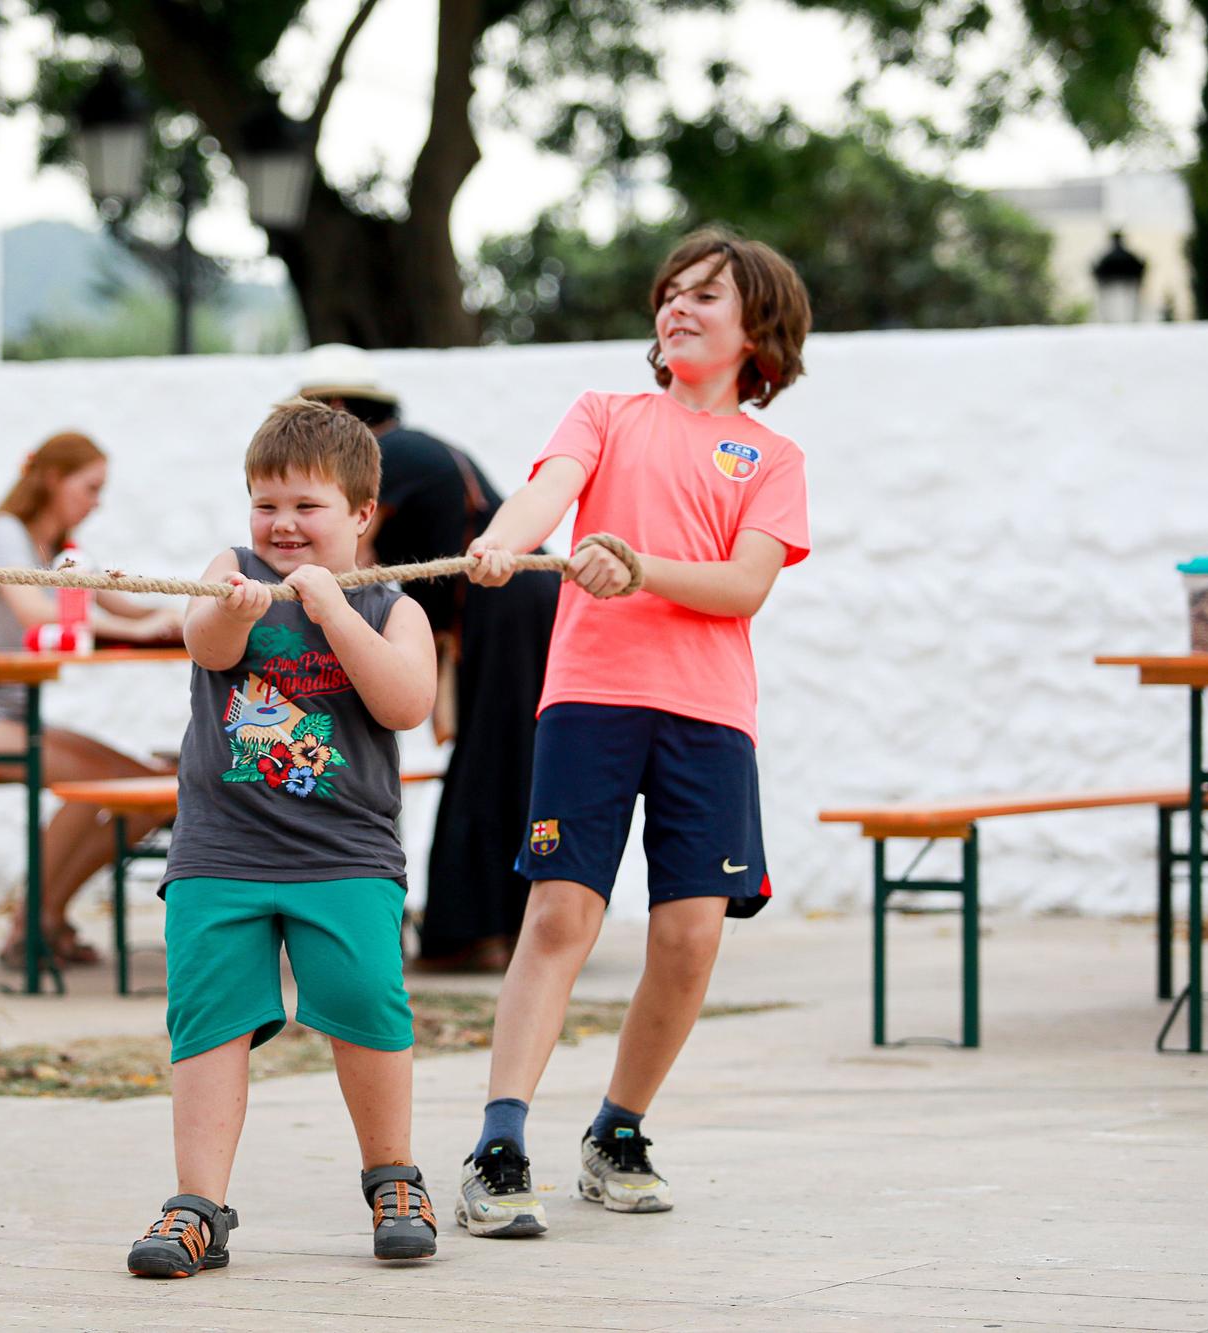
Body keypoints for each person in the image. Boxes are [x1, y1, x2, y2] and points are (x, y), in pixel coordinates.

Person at [452, 227, 812, 1237]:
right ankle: (498, 1142)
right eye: (669, 291)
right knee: (560, 916)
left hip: (709, 716)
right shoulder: (603, 412)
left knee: (689, 938)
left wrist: (641, 566)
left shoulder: (772, 457)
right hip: (591, 695)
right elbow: (546, 492)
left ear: (758, 333)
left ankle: (617, 1130)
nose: (677, 306)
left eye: (706, 294)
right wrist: (501, 543)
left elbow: (744, 585)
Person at [125, 397, 440, 1278]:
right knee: (208, 1018)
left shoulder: (391, 605)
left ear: (362, 515)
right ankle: (197, 1205)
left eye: (308, 506)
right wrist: (235, 605)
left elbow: (406, 703)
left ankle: (393, 1178)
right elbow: (209, 645)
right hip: (220, 850)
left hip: (343, 856)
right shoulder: (232, 569)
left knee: (368, 1004)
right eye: (267, 503)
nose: (283, 524)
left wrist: (334, 610)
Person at [297, 345, 559, 972]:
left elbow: (349, 551)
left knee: (492, 761)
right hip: (517, 603)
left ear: (336, 410)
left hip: (507, 603)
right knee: (502, 758)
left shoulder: (388, 455)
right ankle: (495, 928)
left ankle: (475, 933)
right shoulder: (412, 447)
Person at [0, 431, 182, 967]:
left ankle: (43, 916)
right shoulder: (3, 535)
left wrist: (190, 618)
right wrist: (140, 629)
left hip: (12, 717)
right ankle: (31, 923)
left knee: (150, 793)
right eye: (90, 488)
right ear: (51, 479)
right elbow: (39, 614)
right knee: (106, 787)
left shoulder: (59, 551)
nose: (96, 502)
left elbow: (124, 605)